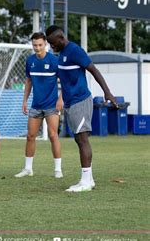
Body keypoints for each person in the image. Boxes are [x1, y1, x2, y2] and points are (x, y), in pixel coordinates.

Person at [45, 25, 118, 192]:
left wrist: (107, 92)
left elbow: (94, 70)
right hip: (70, 103)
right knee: (79, 139)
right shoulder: (62, 53)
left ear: (61, 38)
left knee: (83, 139)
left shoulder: (75, 51)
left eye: (52, 43)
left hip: (81, 101)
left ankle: (85, 182)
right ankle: (89, 179)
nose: (51, 46)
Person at [15, 32, 63, 179]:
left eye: (40, 45)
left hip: (51, 106)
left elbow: (65, 82)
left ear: (46, 44)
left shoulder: (54, 61)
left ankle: (57, 170)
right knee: (30, 136)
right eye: (35, 45)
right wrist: (25, 101)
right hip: (36, 106)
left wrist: (61, 99)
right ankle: (28, 169)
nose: (37, 48)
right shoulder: (30, 61)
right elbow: (28, 81)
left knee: (53, 135)